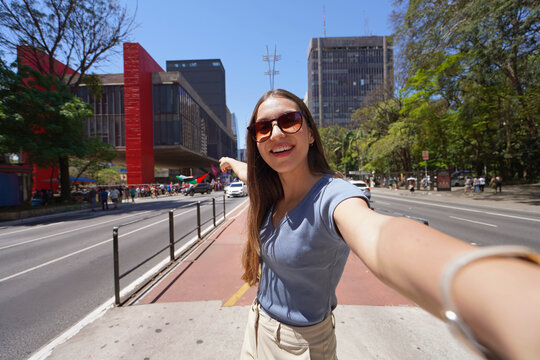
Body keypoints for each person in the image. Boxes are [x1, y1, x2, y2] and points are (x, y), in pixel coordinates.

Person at [219, 89, 539, 360]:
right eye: (263, 128)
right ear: (257, 142)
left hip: (299, 345)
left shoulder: (335, 195)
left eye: (289, 121)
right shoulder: (270, 189)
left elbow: (379, 234)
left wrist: (477, 285)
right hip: (257, 324)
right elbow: (251, 174)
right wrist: (232, 163)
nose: (276, 133)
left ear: (311, 133)